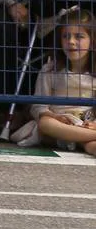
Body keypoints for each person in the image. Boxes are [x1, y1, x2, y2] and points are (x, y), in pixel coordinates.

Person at [27, 9, 96, 156]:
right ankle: (77, 137)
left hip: (87, 126)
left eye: (79, 36)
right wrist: (54, 117)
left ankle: (81, 139)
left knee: (92, 146)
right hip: (59, 126)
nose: (70, 41)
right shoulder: (50, 70)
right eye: (66, 36)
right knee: (45, 123)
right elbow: (38, 107)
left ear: (92, 42)